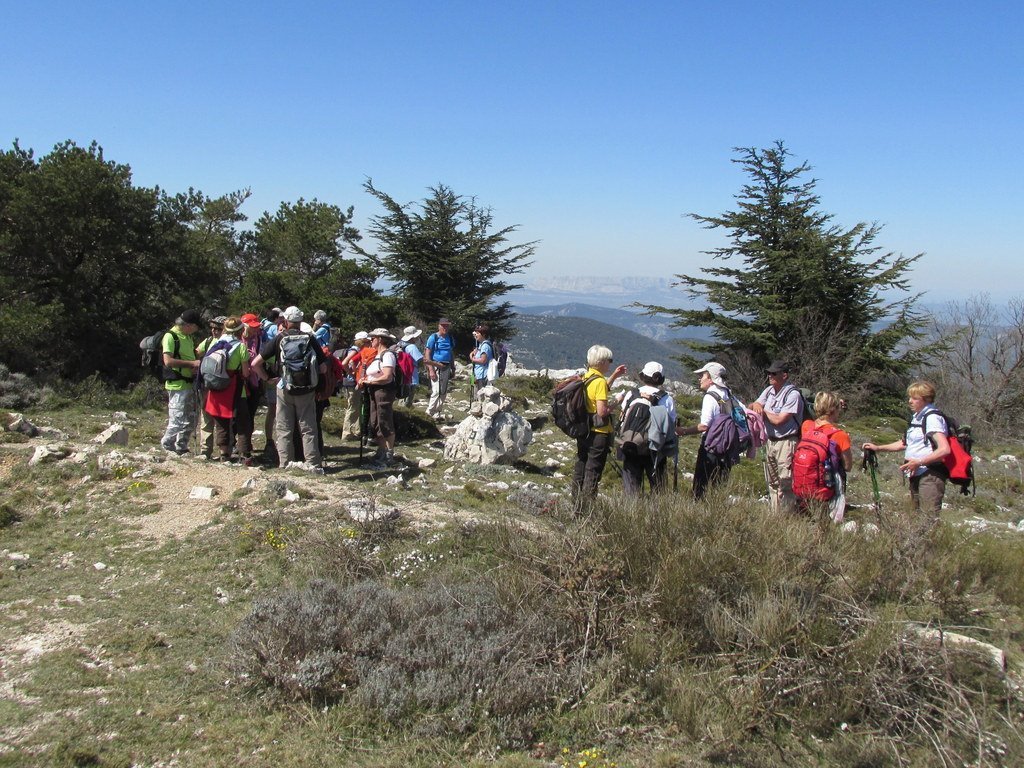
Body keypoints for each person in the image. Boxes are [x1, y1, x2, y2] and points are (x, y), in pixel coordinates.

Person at [251, 306, 328, 471]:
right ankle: (313, 464)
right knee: (308, 428)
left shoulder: (280, 338)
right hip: (306, 390)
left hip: (284, 388)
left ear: (285, 321)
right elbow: (323, 368)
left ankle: (285, 464)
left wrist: (267, 379)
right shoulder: (310, 338)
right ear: (300, 321)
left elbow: (255, 363)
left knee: (284, 428)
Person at [863, 381, 951, 519]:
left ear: (926, 399)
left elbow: (944, 449)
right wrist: (878, 448)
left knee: (928, 518)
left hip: (930, 474)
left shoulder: (932, 418)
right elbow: (904, 444)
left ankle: (929, 541)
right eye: (910, 397)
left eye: (915, 398)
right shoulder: (917, 417)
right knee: (917, 516)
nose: (910, 401)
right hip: (917, 473)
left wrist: (919, 462)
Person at [571, 345, 627, 511]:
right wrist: (617, 401)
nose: (610, 363)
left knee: (581, 465)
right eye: (609, 360)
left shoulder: (587, 377)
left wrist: (615, 376)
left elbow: (597, 391)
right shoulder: (600, 381)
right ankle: (587, 509)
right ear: (602, 362)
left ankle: (576, 504)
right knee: (593, 470)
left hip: (584, 430)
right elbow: (602, 412)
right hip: (599, 433)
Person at [677, 362, 738, 500]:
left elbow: (704, 426)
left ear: (711, 378)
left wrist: (684, 431)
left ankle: (699, 513)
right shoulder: (728, 393)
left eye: (703, 375)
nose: (700, 378)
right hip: (727, 446)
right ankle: (718, 512)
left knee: (701, 485)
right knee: (720, 485)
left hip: (711, 446)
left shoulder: (710, 396)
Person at [749, 360, 803, 513]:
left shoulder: (793, 395)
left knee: (786, 481)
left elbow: (779, 420)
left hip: (786, 442)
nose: (770, 376)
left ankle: (788, 514)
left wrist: (763, 411)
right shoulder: (768, 391)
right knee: (772, 482)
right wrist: (756, 405)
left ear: (784, 375)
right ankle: (775, 514)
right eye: (769, 373)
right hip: (770, 441)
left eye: (774, 373)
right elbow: (752, 406)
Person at [618, 361, 677, 495]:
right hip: (655, 448)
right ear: (660, 379)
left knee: (631, 487)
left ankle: (631, 512)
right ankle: (657, 513)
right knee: (658, 487)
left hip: (631, 443)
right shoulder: (666, 399)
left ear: (643, 376)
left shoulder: (632, 394)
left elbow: (623, 417)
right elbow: (670, 424)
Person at [201, 316, 254, 464]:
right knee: (243, 422)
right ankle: (245, 454)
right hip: (235, 388)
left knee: (221, 422)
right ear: (240, 330)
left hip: (216, 388)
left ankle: (224, 454)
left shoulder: (216, 343)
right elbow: (245, 373)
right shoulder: (241, 346)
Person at [798, 392, 853, 521]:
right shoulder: (840, 435)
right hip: (827, 485)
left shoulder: (806, 426)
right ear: (834, 410)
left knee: (806, 517)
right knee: (825, 521)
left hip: (805, 482)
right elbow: (848, 466)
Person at [160, 310, 202, 455]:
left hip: (190, 383)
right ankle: (167, 445)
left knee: (191, 418)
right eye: (196, 327)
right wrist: (192, 364)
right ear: (189, 325)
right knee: (177, 418)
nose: (197, 330)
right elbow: (168, 361)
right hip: (177, 384)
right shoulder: (170, 336)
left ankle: (181, 446)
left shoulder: (188, 337)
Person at [360, 328, 399, 469]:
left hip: (383, 391)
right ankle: (381, 450)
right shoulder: (379, 355)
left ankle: (389, 452)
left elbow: (387, 376)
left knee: (384, 420)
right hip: (375, 391)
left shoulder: (387, 355)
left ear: (380, 339)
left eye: (374, 338)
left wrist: (370, 382)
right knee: (375, 420)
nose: (371, 341)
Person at [194, 315, 226, 459]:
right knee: (206, 417)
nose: (214, 331)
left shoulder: (229, 342)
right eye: (212, 328)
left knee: (221, 419)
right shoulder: (208, 341)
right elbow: (196, 352)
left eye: (218, 328)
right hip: (207, 386)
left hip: (222, 386)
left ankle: (224, 450)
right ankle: (205, 450)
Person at [339, 332, 369, 441]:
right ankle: (346, 433)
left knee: (356, 406)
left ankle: (356, 431)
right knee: (352, 407)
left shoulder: (354, 349)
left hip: (350, 382)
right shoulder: (356, 350)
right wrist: (353, 373)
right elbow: (346, 362)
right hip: (352, 382)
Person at [424, 318, 455, 420]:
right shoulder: (433, 337)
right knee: (436, 391)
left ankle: (437, 412)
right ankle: (429, 412)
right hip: (436, 365)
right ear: (439, 326)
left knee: (443, 392)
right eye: (443, 325)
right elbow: (427, 353)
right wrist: (431, 370)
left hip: (447, 366)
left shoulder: (450, 338)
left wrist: (453, 368)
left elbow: (451, 353)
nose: (445, 328)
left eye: (447, 326)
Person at [398, 326, 424, 407]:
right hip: (411, 376)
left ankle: (401, 412)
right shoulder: (412, 347)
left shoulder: (400, 344)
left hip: (403, 375)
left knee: (402, 396)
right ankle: (406, 414)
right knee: (408, 398)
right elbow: (420, 360)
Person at [469, 324, 495, 393]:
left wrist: (472, 359)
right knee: (477, 395)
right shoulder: (482, 344)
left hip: (483, 376)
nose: (475, 335)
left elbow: (483, 360)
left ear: (483, 335)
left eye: (477, 333)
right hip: (479, 374)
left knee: (480, 396)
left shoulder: (485, 346)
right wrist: (473, 353)